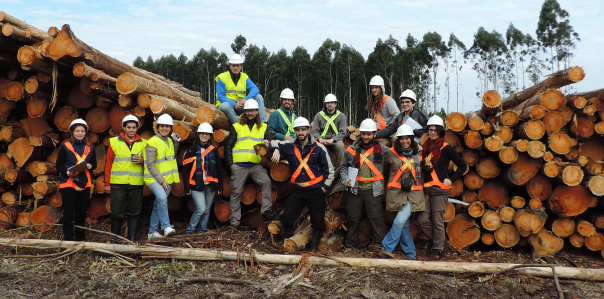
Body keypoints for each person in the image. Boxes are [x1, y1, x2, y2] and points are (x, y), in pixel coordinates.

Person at [269, 117, 334, 251]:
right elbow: (274, 141)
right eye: (298, 130)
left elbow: (330, 170)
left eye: (303, 129)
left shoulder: (320, 148)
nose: (301, 133)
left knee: (317, 220)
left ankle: (314, 247)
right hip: (298, 191)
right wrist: (276, 149)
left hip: (316, 190)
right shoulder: (289, 146)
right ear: (295, 131)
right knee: (287, 217)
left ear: (308, 130)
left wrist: (324, 187)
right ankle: (289, 239)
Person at [417, 115, 467, 260]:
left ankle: (438, 249)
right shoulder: (425, 146)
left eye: (435, 130)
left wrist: (451, 179)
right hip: (426, 188)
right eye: (430, 130)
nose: (432, 132)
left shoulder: (447, 148)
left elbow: (462, 165)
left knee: (437, 220)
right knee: (421, 219)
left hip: (440, 190)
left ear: (440, 131)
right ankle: (439, 241)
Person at [224, 99, 279, 227]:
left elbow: (271, 139)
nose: (250, 113)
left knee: (266, 181)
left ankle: (266, 213)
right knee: (236, 192)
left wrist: (273, 147)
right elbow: (228, 146)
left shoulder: (263, 127)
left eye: (252, 110)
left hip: (255, 165)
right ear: (244, 111)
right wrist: (230, 165)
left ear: (257, 111)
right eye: (248, 110)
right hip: (238, 166)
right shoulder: (237, 126)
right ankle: (234, 223)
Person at [340, 119, 389, 249]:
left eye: (369, 134)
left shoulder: (382, 150)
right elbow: (343, 167)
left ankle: (382, 247)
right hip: (355, 190)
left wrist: (415, 148)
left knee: (376, 219)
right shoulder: (351, 150)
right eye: (363, 134)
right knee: (353, 219)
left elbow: (398, 155)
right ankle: (350, 247)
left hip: (373, 190)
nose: (366, 137)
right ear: (360, 133)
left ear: (374, 134)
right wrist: (346, 180)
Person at [378, 124, 425, 259]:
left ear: (412, 139)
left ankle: (386, 248)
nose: (404, 141)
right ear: (398, 140)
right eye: (402, 139)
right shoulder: (392, 153)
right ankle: (411, 254)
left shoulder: (420, 151)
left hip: (414, 194)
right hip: (397, 194)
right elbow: (385, 168)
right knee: (403, 225)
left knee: (399, 222)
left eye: (407, 138)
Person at [105, 115, 147, 242]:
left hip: (136, 185)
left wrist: (142, 161)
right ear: (124, 128)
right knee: (117, 213)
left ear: (137, 129)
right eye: (128, 127)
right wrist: (107, 183)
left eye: (134, 127)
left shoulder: (144, 144)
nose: (131, 130)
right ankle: (114, 240)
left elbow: (151, 164)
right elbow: (108, 164)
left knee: (134, 213)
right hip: (118, 185)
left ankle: (132, 240)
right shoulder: (114, 142)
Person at [57, 119, 97, 241]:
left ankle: (80, 239)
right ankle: (68, 239)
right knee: (69, 213)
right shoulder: (65, 146)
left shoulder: (90, 147)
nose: (80, 133)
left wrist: (90, 166)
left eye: (82, 131)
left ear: (86, 132)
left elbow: (94, 163)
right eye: (77, 131)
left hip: (84, 183)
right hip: (69, 183)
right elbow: (59, 164)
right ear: (72, 132)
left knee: (81, 213)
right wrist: (67, 171)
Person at [182, 123, 223, 234]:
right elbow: (185, 170)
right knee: (201, 209)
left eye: (207, 134)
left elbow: (219, 169)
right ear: (199, 134)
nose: (204, 135)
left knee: (207, 210)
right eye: (202, 133)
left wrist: (220, 185)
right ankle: (190, 231)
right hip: (196, 184)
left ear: (210, 136)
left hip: (211, 184)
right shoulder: (191, 151)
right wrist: (186, 187)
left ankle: (202, 231)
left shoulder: (213, 151)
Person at [145, 114, 180, 239]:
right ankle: (166, 227)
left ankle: (152, 232)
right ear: (157, 127)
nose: (164, 128)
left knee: (158, 203)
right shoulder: (152, 142)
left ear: (171, 128)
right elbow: (150, 164)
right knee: (162, 198)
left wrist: (176, 143)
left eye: (167, 126)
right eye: (162, 126)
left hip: (167, 179)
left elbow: (171, 156)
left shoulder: (169, 140)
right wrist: (161, 181)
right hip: (153, 178)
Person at [216, 53, 267, 124]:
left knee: (258, 97)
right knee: (225, 106)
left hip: (241, 107)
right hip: (227, 107)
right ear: (230, 66)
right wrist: (234, 105)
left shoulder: (244, 77)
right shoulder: (222, 77)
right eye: (233, 65)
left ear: (241, 66)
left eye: (237, 65)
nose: (235, 68)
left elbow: (255, 89)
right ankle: (239, 126)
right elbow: (221, 96)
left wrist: (246, 100)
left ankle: (263, 123)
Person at [311, 93, 347, 168]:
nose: (329, 104)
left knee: (341, 146)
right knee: (314, 147)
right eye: (327, 103)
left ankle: (341, 168)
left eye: (331, 103)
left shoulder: (341, 116)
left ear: (335, 104)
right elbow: (314, 130)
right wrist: (320, 139)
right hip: (321, 139)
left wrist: (333, 140)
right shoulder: (319, 115)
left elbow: (343, 132)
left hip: (336, 140)